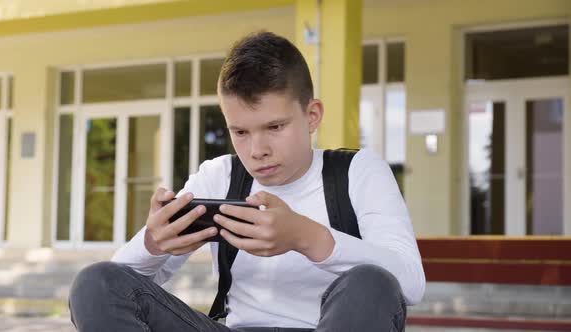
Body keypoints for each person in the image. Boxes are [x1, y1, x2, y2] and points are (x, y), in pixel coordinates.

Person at [69, 31, 425, 332]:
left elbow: (409, 284)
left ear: (312, 115)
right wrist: (153, 244)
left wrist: (304, 236)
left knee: (371, 282)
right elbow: (116, 291)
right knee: (95, 283)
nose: (257, 150)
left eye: (274, 127)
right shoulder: (219, 175)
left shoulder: (359, 171)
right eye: (240, 131)